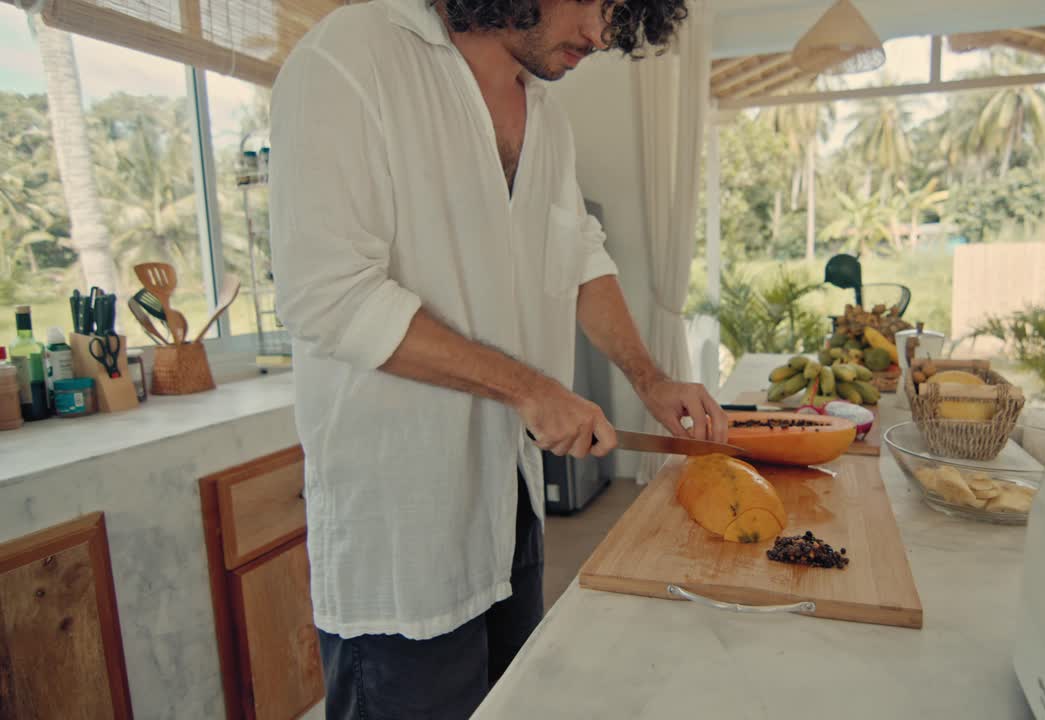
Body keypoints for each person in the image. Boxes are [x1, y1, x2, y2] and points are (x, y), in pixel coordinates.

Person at [268, 0, 720, 716]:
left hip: (510, 501)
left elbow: (578, 254)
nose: (601, 35)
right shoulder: (352, 57)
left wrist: (652, 379)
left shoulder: (547, 117)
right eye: (594, 3)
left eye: (619, 12)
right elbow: (328, 294)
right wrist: (530, 390)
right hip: (403, 530)